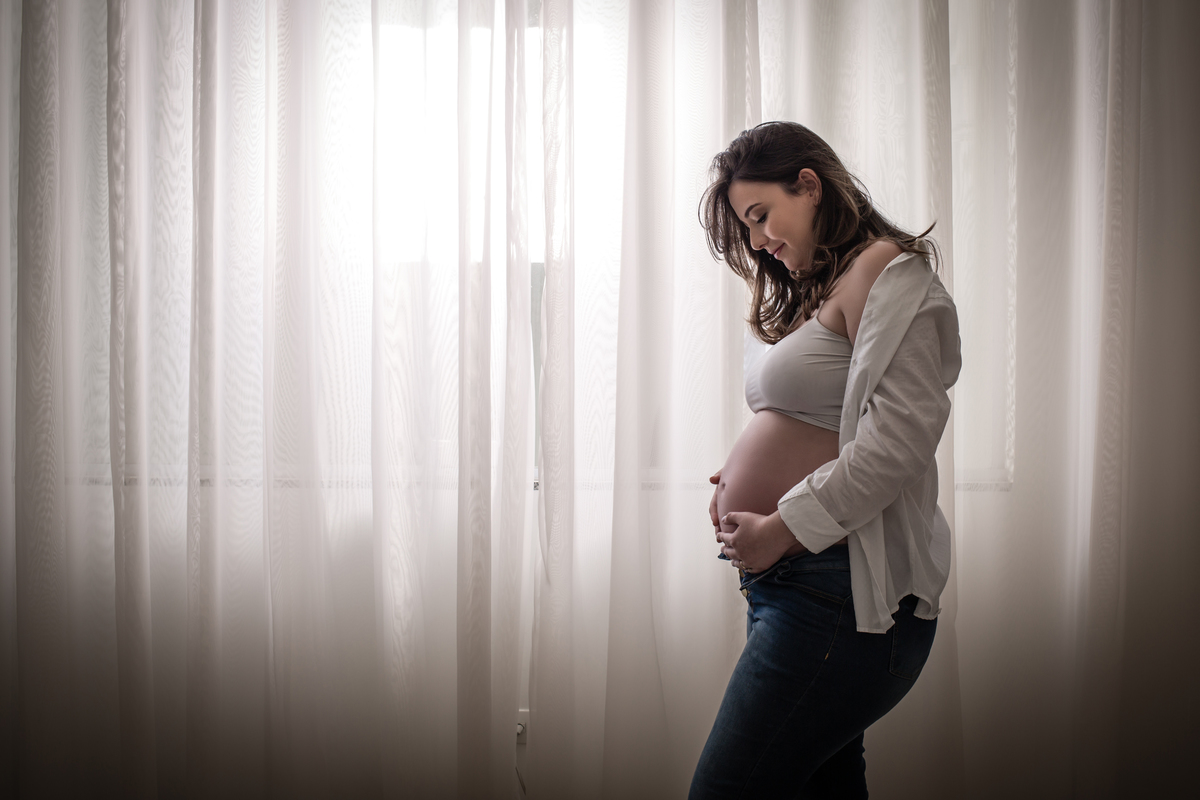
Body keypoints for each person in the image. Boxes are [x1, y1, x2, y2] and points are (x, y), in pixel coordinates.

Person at [688, 121, 961, 799]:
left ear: (808, 186)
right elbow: (823, 423)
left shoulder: (886, 271)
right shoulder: (829, 286)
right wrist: (739, 479)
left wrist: (779, 524)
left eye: (760, 216)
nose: (757, 242)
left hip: (837, 596)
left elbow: (898, 443)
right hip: (797, 588)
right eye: (746, 230)